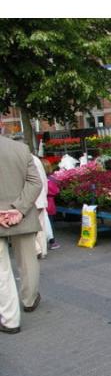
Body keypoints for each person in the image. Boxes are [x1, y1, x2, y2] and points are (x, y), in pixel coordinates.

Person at [0, 135, 43, 334]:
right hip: (22, 216)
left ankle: (10, 320)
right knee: (28, 261)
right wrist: (19, 209)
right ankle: (29, 300)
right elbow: (35, 183)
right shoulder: (20, 149)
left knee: (1, 271)